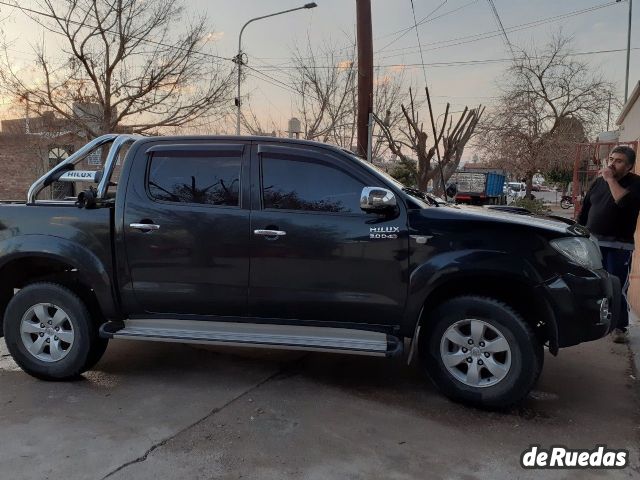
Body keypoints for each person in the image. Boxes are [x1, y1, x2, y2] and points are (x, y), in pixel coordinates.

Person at [577, 145, 640, 343]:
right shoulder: (598, 182)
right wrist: (579, 233)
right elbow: (586, 209)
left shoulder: (635, 183)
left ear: (629, 166)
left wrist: (611, 179)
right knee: (590, 283)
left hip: (619, 246)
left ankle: (619, 327)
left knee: (616, 286)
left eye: (619, 161)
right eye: (611, 159)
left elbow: (623, 202)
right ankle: (589, 321)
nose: (612, 163)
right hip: (593, 243)